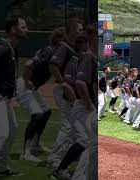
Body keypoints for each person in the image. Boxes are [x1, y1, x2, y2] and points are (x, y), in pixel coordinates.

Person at [17, 27, 65, 162]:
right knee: (37, 114)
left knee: (47, 112)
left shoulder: (55, 52)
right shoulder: (49, 51)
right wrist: (27, 81)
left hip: (32, 88)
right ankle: (25, 153)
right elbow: (28, 64)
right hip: (24, 86)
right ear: (60, 40)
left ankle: (36, 145)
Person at [0, 15, 28, 178]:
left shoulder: (12, 48)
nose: (27, 30)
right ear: (13, 29)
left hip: (4, 98)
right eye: (23, 27)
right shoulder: (3, 47)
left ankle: (1, 167)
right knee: (1, 133)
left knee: (12, 130)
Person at [47, 19, 83, 169]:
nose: (81, 32)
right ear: (71, 31)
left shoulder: (75, 48)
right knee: (68, 125)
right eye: (79, 30)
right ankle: (55, 157)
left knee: (75, 125)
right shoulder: (64, 47)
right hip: (63, 91)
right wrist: (63, 83)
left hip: (69, 91)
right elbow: (53, 66)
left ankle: (70, 154)